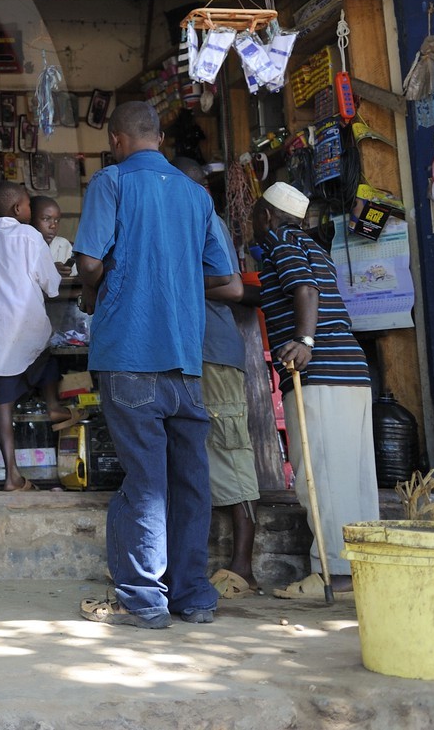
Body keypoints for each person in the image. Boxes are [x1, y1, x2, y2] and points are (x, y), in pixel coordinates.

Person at [74, 102, 238, 629]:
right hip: (185, 362)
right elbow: (226, 278)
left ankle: (143, 600)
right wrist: (178, 275)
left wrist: (93, 290)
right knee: (190, 481)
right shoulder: (196, 195)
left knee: (144, 481)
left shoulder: (111, 182)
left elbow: (90, 262)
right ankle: (193, 596)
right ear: (160, 136)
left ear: (118, 139)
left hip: (128, 354)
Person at [242, 181, 379, 600]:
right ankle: (361, 571)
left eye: (254, 214)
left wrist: (305, 341)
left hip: (320, 374)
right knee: (354, 479)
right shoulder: (312, 245)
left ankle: (332, 576)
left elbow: (305, 289)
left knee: (320, 476)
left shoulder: (280, 240)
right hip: (352, 373)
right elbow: (296, 287)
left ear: (266, 215)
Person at [174, 158, 260, 598]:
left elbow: (232, 288)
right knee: (196, 451)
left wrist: (176, 281)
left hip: (215, 350)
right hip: (186, 350)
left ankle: (244, 565)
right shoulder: (178, 222)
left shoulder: (210, 223)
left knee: (230, 448)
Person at [0, 181, 65, 491]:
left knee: (4, 401)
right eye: (28, 205)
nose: (30, 209)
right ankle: (52, 405)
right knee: (48, 358)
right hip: (24, 331)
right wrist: (55, 273)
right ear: (17, 210)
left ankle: (11, 473)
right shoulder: (30, 237)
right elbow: (51, 285)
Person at [30, 195, 75, 279]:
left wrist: (66, 271)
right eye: (46, 219)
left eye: (57, 220)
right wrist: (49, 270)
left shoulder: (63, 245)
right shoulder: (20, 245)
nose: (53, 225)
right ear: (30, 219)